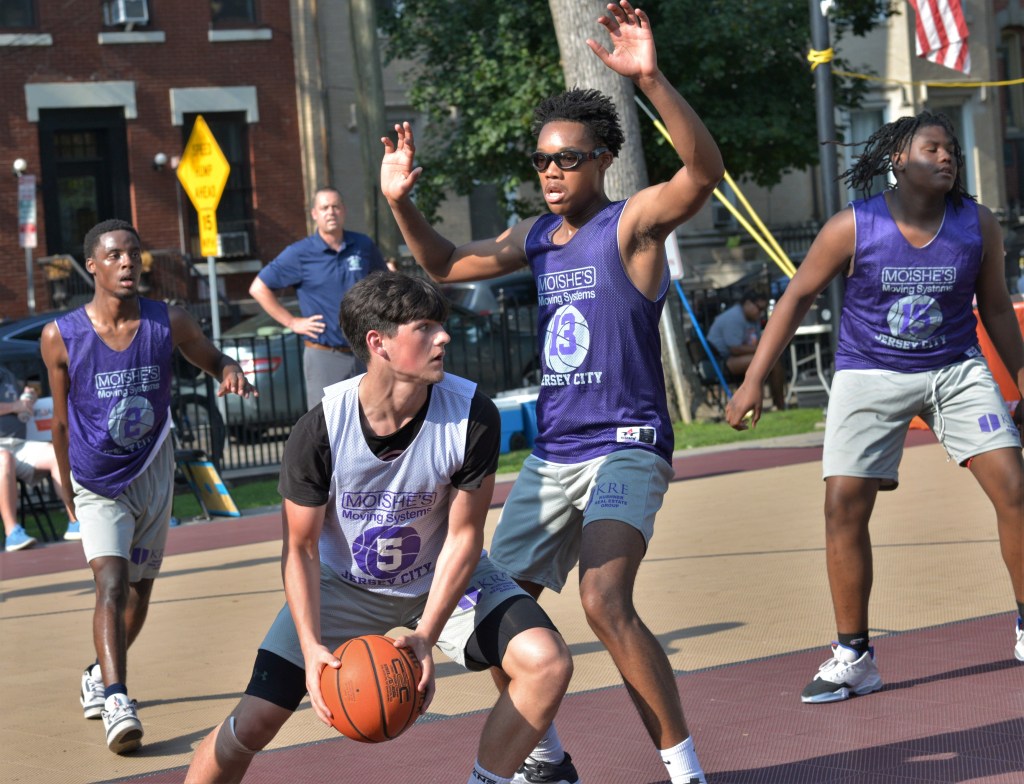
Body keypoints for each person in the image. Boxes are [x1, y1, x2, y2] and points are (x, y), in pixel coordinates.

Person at [380, 4, 723, 782]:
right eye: (541, 160)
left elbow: (702, 173)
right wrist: (401, 201)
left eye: (567, 159)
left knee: (605, 601)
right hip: (553, 455)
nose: (551, 172)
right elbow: (443, 265)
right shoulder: (535, 239)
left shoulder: (632, 226)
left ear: (603, 160)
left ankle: (685, 771)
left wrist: (650, 79)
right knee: (493, 621)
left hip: (625, 447)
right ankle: (548, 762)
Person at [185, 271, 573, 784]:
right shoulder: (322, 429)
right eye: (425, 327)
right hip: (342, 587)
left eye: (441, 325)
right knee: (252, 724)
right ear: (378, 342)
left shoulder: (472, 414)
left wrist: (426, 633)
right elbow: (300, 550)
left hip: (440, 579)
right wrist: (311, 648)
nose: (444, 337)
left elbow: (464, 537)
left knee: (546, 662)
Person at [725, 111, 1024, 701]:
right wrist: (753, 379)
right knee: (842, 503)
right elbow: (797, 296)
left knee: (1014, 484)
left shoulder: (978, 224)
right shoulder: (854, 226)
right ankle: (854, 656)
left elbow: (994, 308)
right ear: (897, 160)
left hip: (954, 367)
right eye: (932, 148)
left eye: (951, 149)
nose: (947, 156)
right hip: (870, 370)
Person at [40, 219, 256, 754]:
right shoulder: (61, 336)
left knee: (138, 593)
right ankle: (117, 699)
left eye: (134, 254)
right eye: (115, 255)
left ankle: (97, 673)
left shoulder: (168, 321)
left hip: (153, 470)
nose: (127, 263)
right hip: (97, 479)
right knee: (110, 584)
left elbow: (210, 357)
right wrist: (66, 483)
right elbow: (61, 422)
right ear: (92, 265)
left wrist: (228, 369)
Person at [249, 186, 389, 409]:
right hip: (325, 355)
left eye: (335, 206)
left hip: (367, 354)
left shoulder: (363, 245)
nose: (330, 212)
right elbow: (258, 288)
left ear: (344, 210)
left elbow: (385, 286)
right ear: (314, 214)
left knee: (375, 420)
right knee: (327, 424)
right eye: (324, 208)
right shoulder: (299, 253)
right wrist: (292, 322)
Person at [0, 363, 78, 549]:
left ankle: (76, 521)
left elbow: (21, 399)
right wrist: (14, 406)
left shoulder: (6, 373)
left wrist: (29, 397)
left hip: (19, 445)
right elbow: (15, 405)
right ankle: (12, 532)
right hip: (2, 452)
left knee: (56, 454)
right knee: (4, 460)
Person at [705, 287, 786, 410]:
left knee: (772, 360)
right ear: (748, 303)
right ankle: (780, 405)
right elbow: (735, 349)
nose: (761, 313)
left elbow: (755, 342)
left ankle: (778, 403)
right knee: (771, 362)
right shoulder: (734, 317)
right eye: (759, 308)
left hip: (735, 358)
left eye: (763, 310)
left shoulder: (753, 318)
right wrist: (765, 350)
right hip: (721, 363)